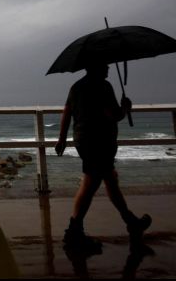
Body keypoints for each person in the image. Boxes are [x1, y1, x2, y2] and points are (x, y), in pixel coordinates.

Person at [55, 62, 151, 251]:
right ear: (96, 67)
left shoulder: (76, 87)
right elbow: (112, 115)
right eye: (104, 65)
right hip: (99, 143)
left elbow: (67, 112)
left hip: (83, 140)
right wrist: (125, 108)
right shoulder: (103, 86)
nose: (108, 67)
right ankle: (74, 232)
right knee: (91, 184)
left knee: (110, 179)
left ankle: (131, 222)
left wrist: (62, 139)